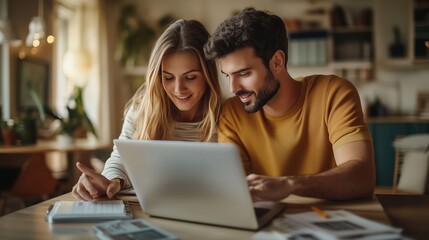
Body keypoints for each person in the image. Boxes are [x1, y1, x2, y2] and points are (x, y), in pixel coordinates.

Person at [204, 7, 375, 201]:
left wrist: (290, 184)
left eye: (243, 74)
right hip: (269, 225)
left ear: (277, 62)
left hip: (331, 220)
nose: (233, 88)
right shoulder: (231, 113)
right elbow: (238, 194)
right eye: (228, 75)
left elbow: (363, 177)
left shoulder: (333, 93)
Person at [72, 19, 222, 201]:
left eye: (190, 77)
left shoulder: (227, 115)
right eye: (168, 77)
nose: (178, 89)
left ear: (209, 75)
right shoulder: (141, 110)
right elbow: (120, 159)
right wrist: (111, 180)